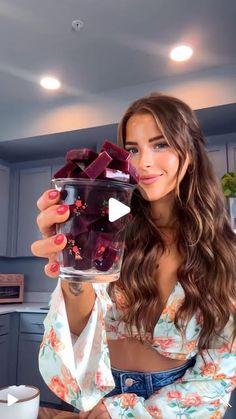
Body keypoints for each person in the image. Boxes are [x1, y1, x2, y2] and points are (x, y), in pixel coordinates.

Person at [31, 92, 236, 418]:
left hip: (168, 407)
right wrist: (74, 267)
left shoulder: (224, 253)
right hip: (96, 397)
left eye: (161, 144)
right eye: (132, 150)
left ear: (191, 151)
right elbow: (74, 334)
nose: (144, 163)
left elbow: (219, 373)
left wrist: (126, 413)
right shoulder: (107, 228)